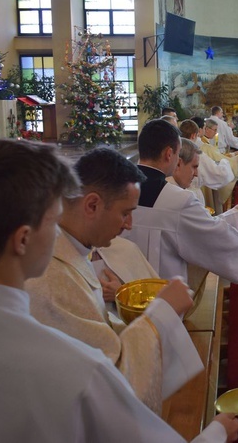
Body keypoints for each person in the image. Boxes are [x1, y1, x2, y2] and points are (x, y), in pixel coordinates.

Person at [0, 139, 238, 442]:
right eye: (53, 220)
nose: (59, 230)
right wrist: (216, 434)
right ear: (23, 240)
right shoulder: (69, 367)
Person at [24, 147, 203, 413]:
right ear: (92, 205)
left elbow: (99, 330)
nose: (129, 224)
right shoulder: (47, 278)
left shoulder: (69, 251)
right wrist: (161, 313)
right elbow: (111, 381)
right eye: (125, 212)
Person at [124, 119, 238, 283]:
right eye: (177, 154)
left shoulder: (117, 191)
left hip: (123, 292)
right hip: (164, 296)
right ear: (169, 154)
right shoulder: (178, 200)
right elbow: (211, 236)